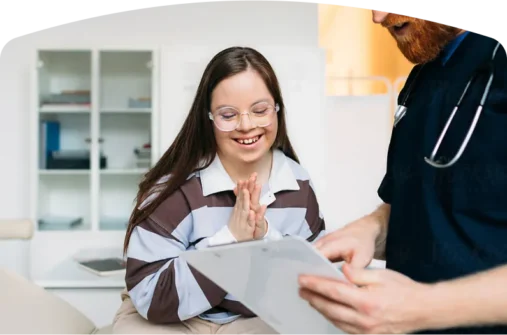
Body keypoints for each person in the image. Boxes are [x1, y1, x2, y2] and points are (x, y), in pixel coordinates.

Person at [298, 9, 507, 335]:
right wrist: (371, 229)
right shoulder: (422, 77)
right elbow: (429, 204)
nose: (378, 17)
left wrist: (423, 307)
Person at [112, 46, 326, 335]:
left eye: (260, 110)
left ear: (277, 109)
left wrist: (265, 239)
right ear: (209, 118)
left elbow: (316, 285)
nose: (247, 125)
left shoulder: (297, 184)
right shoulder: (175, 189)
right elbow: (149, 295)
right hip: (171, 317)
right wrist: (229, 242)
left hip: (254, 318)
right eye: (228, 115)